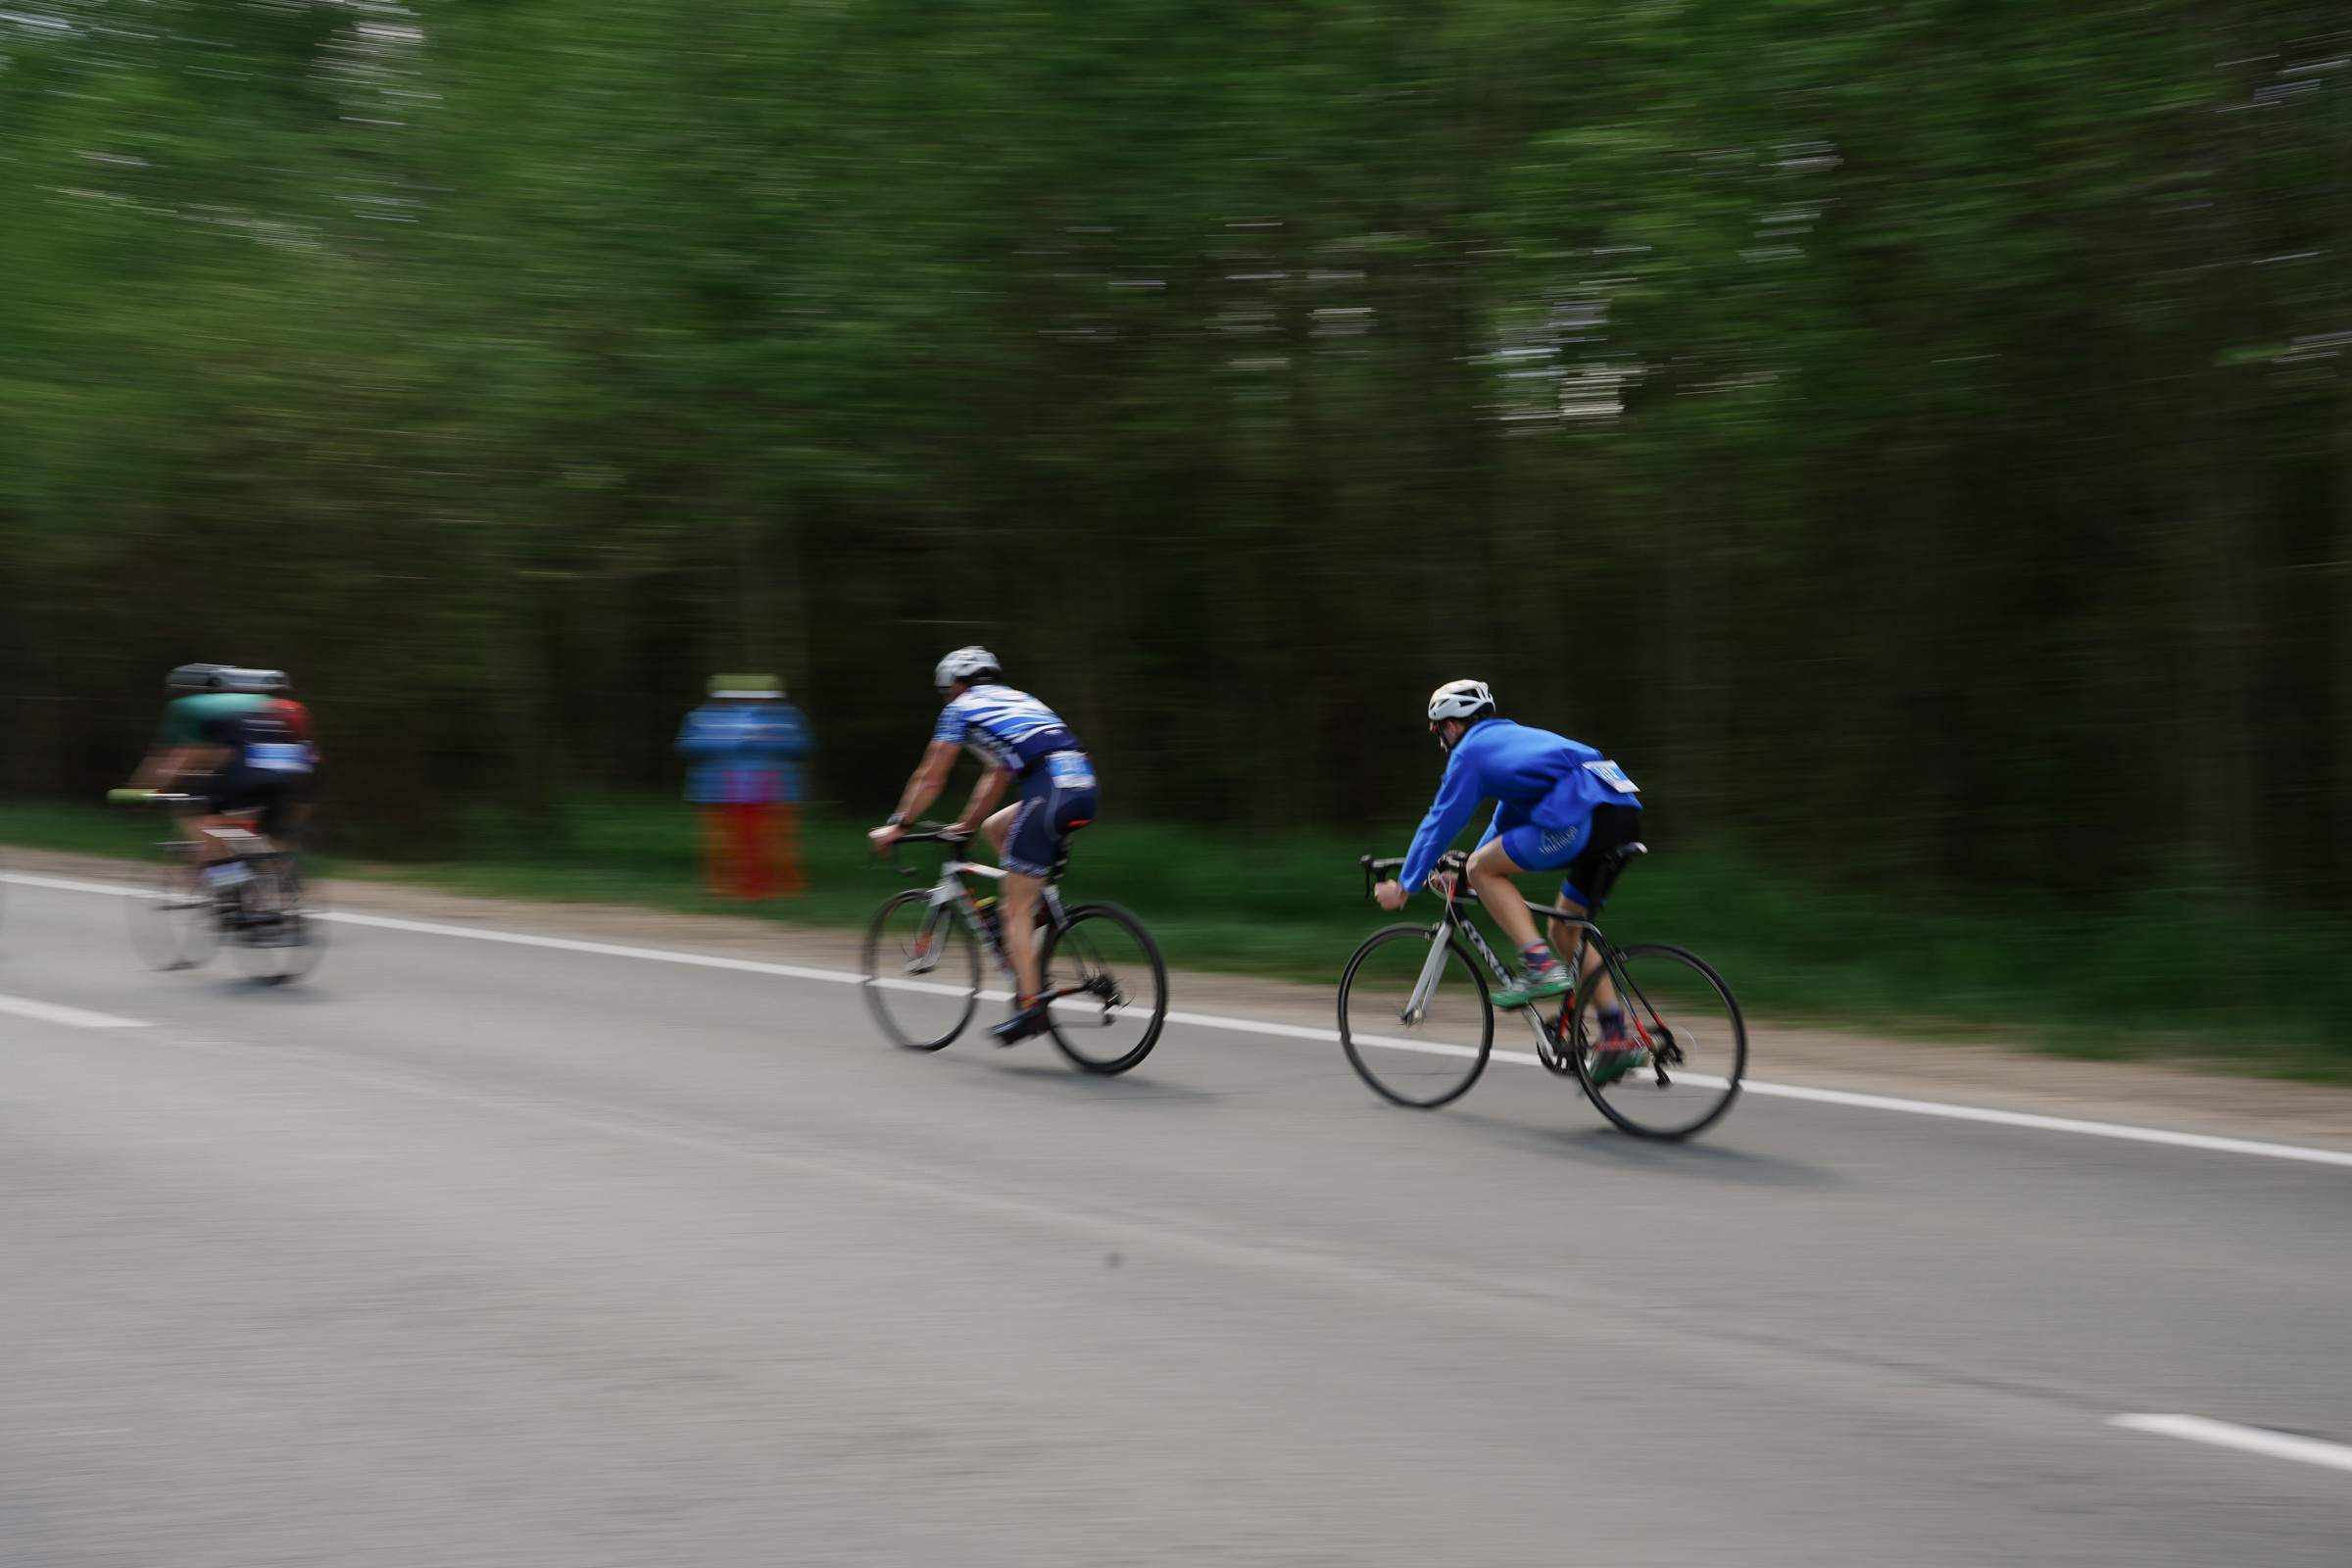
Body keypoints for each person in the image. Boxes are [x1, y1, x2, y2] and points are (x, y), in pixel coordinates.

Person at [1372, 679, 1647, 1079]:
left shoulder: (1468, 754)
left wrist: (1405, 885)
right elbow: (1504, 823)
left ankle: (1537, 965)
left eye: (1437, 731)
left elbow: (1441, 820)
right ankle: (1616, 1036)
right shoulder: (1509, 742)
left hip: (1584, 815)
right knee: (1565, 930)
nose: (1440, 740)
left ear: (1450, 726)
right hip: (1619, 815)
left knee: (1483, 869)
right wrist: (1463, 866)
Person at [868, 647, 1098, 1046]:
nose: (947, 700)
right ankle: (1040, 901)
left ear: (956, 685)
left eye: (945, 693)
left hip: (1049, 791)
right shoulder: (1017, 700)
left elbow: (930, 777)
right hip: (1082, 786)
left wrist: (898, 826)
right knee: (996, 828)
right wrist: (968, 826)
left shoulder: (961, 708)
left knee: (1013, 910)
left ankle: (1030, 1008)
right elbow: (998, 775)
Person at [122, 664, 318, 899]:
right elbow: (308, 754)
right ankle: (279, 885)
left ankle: (227, 886)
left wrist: (141, 790)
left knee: (196, 814)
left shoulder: (193, 707)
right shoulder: (287, 708)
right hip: (299, 776)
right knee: (276, 833)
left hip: (247, 774)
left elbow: (181, 759)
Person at [677, 674, 814, 900]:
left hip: (777, 790)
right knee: (721, 843)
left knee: (779, 841)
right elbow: (686, 745)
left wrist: (768, 741)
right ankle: (722, 884)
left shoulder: (787, 715)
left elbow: (803, 746)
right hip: (713, 790)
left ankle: (787, 884)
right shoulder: (702, 716)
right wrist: (726, 741)